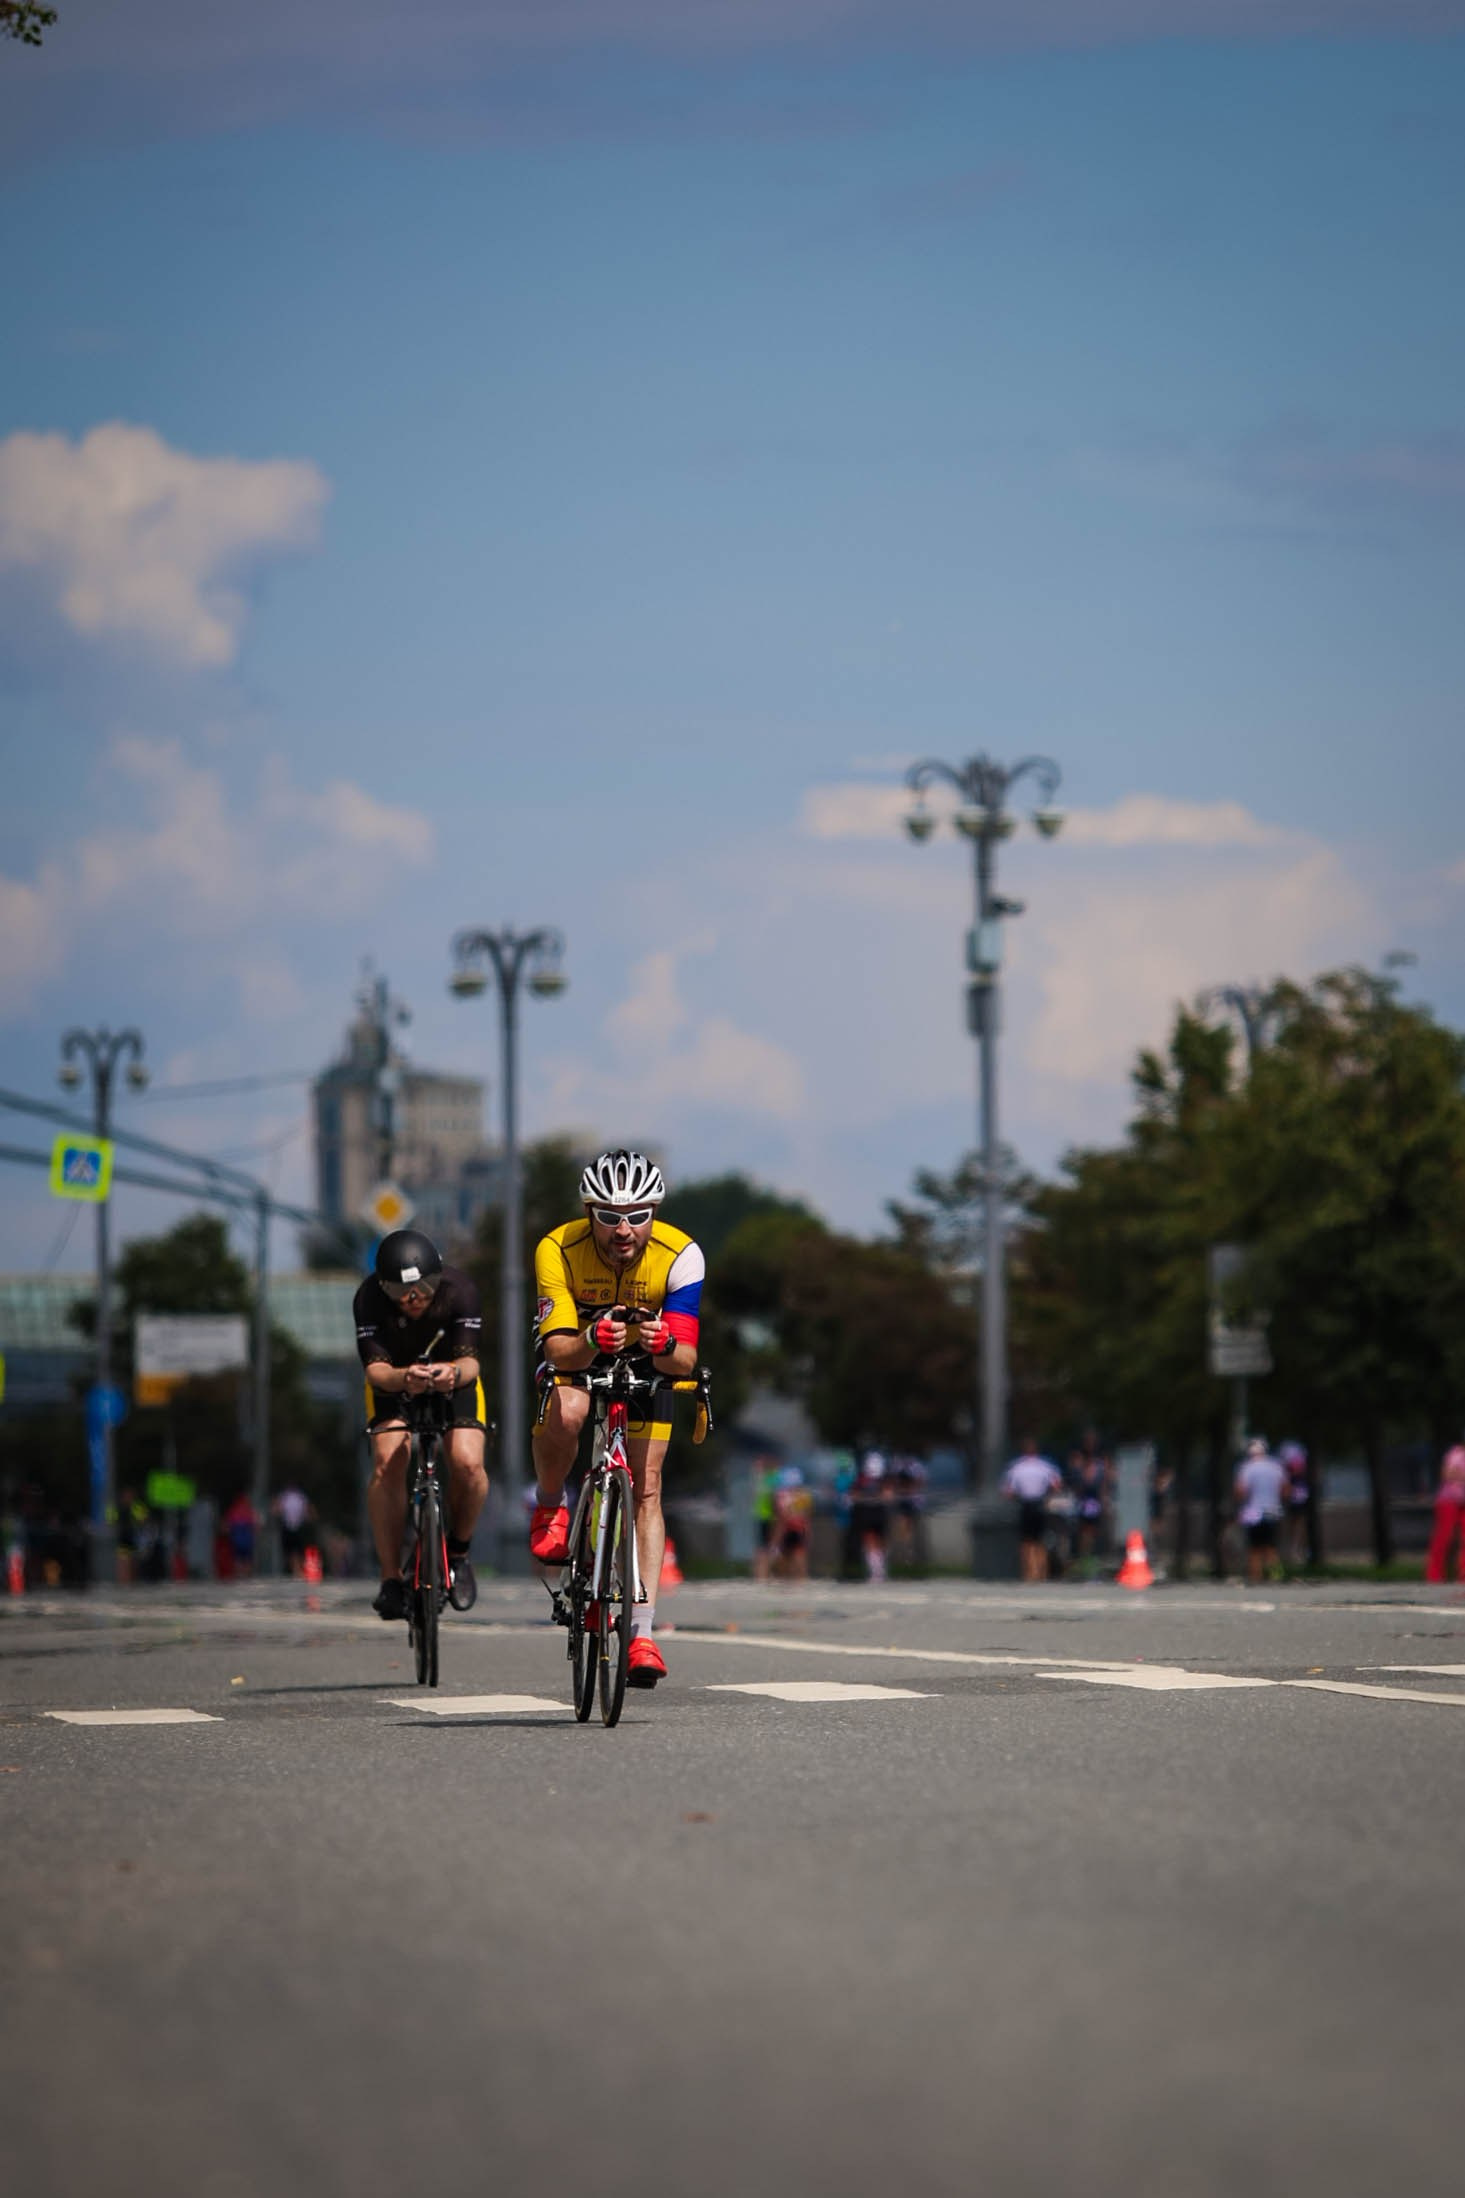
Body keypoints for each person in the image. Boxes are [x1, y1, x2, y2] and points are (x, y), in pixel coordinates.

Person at [527, 1150, 705, 1689]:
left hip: (649, 1364)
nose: (623, 1229)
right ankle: (552, 1504)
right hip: (580, 1352)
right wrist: (589, 1338)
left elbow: (684, 1361)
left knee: (647, 1487)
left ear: (653, 1212)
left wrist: (665, 1341)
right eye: (608, 1216)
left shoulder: (682, 1255)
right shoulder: (557, 1248)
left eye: (636, 1215)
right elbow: (558, 1350)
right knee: (572, 1407)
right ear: (589, 1213)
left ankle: (643, 1633)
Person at [354, 1227, 488, 1622]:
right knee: (388, 1461)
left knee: (467, 1463)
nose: (415, 1299)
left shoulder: (460, 1289)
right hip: (394, 1383)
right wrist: (404, 1379)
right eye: (401, 1292)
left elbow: (472, 1363)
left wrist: (451, 1373)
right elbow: (376, 1372)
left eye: (425, 1287)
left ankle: (459, 1551)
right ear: (383, 1287)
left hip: (453, 1380)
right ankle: (390, 1578)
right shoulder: (368, 1298)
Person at [1001, 1439, 1064, 1584]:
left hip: (1026, 1504)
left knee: (1026, 1542)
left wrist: (1016, 1496)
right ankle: (1041, 1572)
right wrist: (1047, 1494)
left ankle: (1029, 1573)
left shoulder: (1016, 1467)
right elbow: (1057, 1485)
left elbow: (1008, 1491)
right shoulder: (1045, 1466)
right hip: (1039, 1503)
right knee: (1040, 1541)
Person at [1234, 1436, 1287, 1586]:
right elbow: (1285, 1489)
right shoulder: (1275, 1466)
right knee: (1271, 1546)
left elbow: (1241, 1490)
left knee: (1254, 1548)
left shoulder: (1247, 1467)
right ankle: (1276, 1575)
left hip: (1253, 1512)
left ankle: (1256, 1577)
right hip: (1272, 1510)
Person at [1424, 1438, 1465, 1584]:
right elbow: (1446, 1474)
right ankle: (1434, 1575)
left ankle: (1463, 1575)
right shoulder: (1456, 1454)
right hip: (1449, 1500)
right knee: (1444, 1536)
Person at [1278, 1440, 1310, 1568]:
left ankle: (1298, 1550)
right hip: (1294, 1499)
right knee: (1294, 1524)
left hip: (1299, 1498)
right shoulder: (1290, 1473)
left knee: (1300, 1523)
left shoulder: (1298, 1475)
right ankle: (1292, 1550)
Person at [272, 1484, 314, 1577]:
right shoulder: (287, 1496)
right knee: (292, 1551)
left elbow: (276, 1509)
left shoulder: (299, 1496)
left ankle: (297, 1570)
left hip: (297, 1526)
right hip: (289, 1526)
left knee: (297, 1550)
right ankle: (296, 1570)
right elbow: (277, 1509)